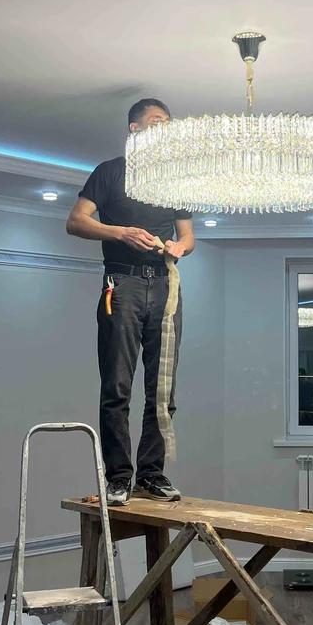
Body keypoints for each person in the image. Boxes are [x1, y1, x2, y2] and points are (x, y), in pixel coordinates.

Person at [66, 98, 195, 505]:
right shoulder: (110, 172)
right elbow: (75, 221)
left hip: (166, 285)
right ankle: (119, 477)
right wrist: (120, 232)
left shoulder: (175, 178)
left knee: (163, 389)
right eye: (157, 122)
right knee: (117, 385)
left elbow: (188, 236)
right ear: (135, 129)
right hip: (121, 283)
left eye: (168, 123)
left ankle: (151, 475)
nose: (165, 129)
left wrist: (179, 247)